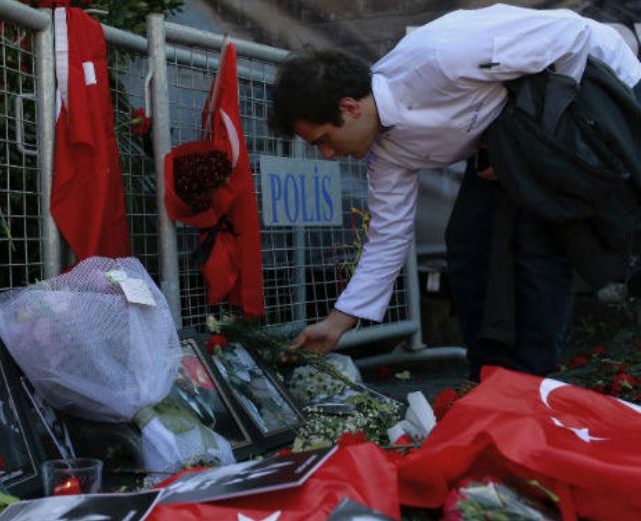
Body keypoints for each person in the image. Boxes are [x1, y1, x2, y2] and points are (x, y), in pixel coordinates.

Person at [273, 4, 641, 379]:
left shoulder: (444, 54)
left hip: (598, 88)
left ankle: (533, 382)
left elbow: (570, 36)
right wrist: (336, 323)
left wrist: (539, 145)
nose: (328, 155)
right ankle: (487, 375)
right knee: (468, 242)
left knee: (535, 246)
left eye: (325, 140)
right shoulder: (383, 154)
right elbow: (388, 238)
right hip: (508, 139)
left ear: (349, 107)